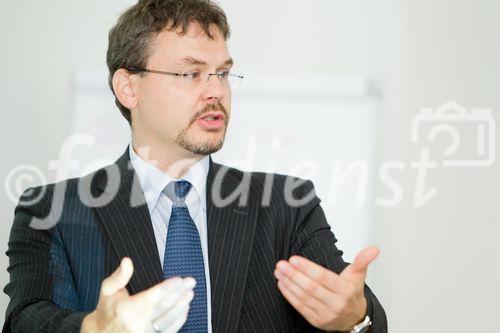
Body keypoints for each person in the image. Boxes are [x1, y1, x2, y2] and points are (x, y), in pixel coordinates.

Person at [3, 0, 387, 332]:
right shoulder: (52, 211)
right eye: (190, 73)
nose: (216, 91)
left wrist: (354, 316)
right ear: (128, 88)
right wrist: (92, 329)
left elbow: (353, 309)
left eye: (222, 73)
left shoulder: (287, 205)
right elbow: (25, 320)